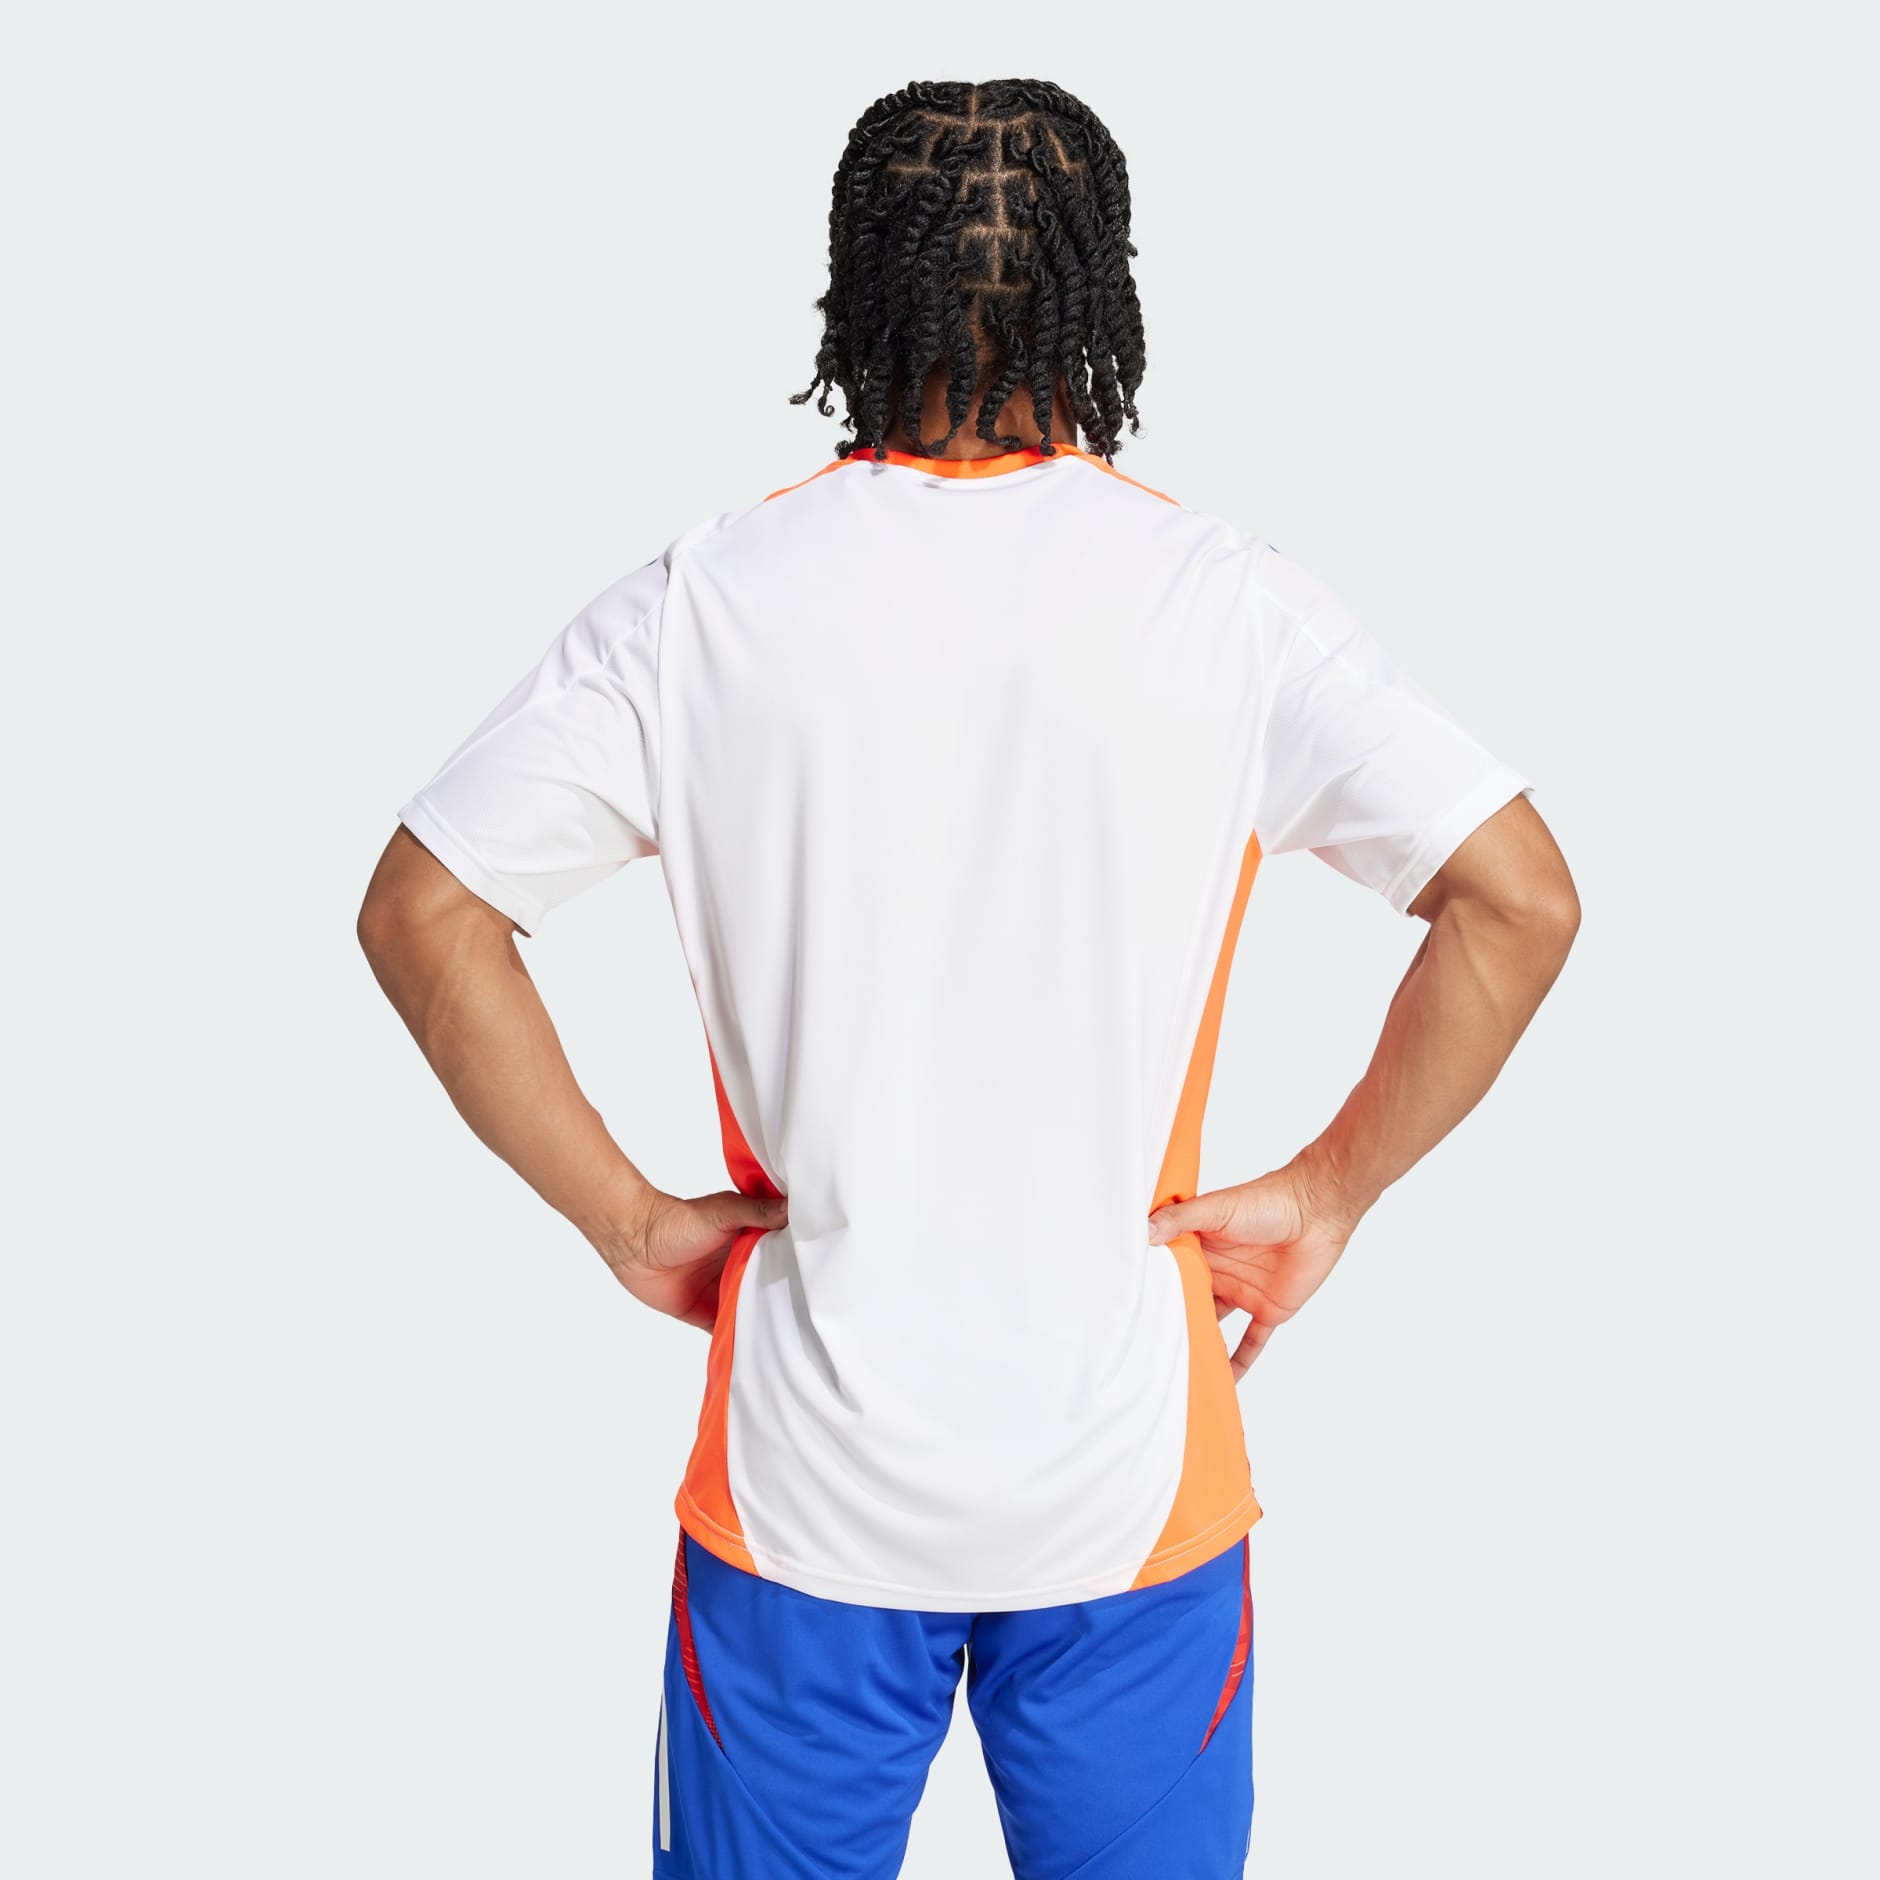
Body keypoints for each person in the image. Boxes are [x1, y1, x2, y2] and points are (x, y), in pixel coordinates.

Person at [357, 76, 1579, 1880]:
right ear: (1106, 294)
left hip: (800, 1488)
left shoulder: (705, 603)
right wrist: (1329, 1194)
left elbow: (425, 910)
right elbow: (1519, 900)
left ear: (858, 289)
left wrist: (628, 1223)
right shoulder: (1224, 602)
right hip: (1131, 1486)